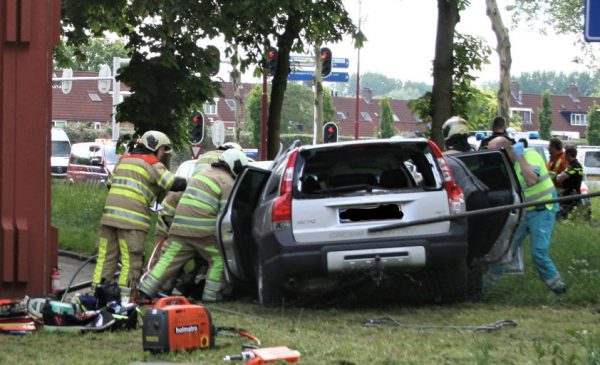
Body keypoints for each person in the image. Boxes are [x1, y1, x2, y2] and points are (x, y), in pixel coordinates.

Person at [138, 149, 249, 302]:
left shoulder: (202, 174)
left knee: (169, 260)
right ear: (235, 167)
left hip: (180, 227)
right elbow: (225, 215)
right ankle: (211, 296)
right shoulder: (227, 182)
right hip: (204, 232)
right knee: (218, 259)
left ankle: (145, 290)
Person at [91, 131, 188, 305]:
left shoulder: (123, 160)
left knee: (105, 258)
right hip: (132, 221)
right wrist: (193, 181)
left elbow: (110, 184)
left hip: (109, 217)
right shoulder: (152, 163)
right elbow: (172, 183)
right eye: (163, 149)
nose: (163, 153)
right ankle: (125, 301)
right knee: (130, 260)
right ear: (155, 147)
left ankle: (97, 296)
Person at [487, 137, 567, 294]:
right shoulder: (508, 165)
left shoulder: (530, 155)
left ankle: (559, 288)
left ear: (505, 151)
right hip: (525, 212)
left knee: (539, 253)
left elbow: (531, 180)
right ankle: (485, 289)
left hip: (543, 209)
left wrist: (520, 156)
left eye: (494, 154)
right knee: (506, 249)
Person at [556, 145, 584, 219]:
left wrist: (557, 176)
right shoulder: (575, 165)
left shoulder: (574, 166)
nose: (564, 155)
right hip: (573, 194)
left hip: (571, 195)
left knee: (562, 216)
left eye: (565, 153)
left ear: (568, 154)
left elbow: (560, 178)